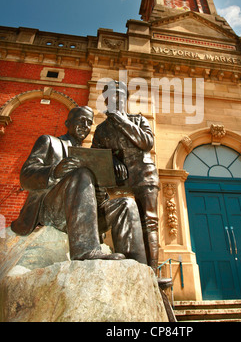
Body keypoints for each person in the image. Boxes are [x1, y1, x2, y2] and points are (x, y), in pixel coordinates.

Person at [11, 106, 147, 265]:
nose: (85, 126)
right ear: (68, 122)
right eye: (81, 120)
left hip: (84, 215)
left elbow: (94, 195)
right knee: (82, 173)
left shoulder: (91, 155)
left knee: (126, 204)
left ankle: (136, 265)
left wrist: (101, 188)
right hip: (52, 210)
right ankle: (85, 250)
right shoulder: (49, 142)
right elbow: (26, 175)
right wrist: (55, 171)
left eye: (89, 122)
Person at [92, 82, 172, 288]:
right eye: (110, 97)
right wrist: (112, 161)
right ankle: (130, 267)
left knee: (149, 222)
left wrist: (121, 120)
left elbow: (146, 143)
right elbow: (97, 158)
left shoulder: (138, 119)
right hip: (119, 181)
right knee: (125, 221)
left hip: (144, 175)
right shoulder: (101, 130)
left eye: (119, 96)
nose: (114, 100)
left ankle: (152, 273)